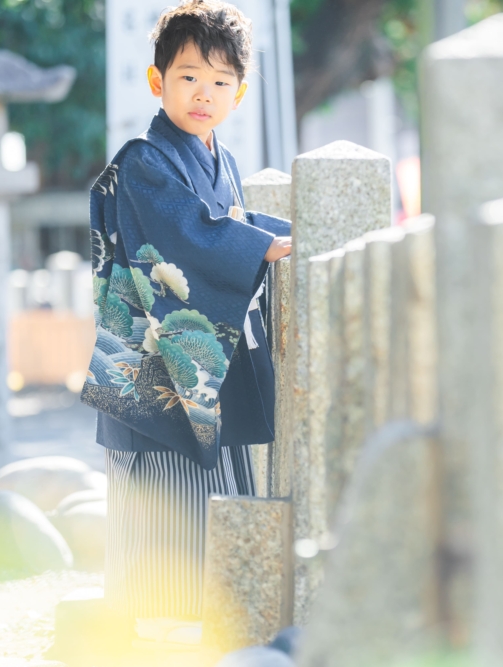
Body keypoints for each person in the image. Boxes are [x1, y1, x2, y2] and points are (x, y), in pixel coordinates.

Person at [80, 0, 291, 623]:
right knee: (165, 511)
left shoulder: (219, 162)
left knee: (210, 502)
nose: (205, 93)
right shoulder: (145, 160)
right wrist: (259, 246)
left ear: (240, 92)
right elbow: (188, 236)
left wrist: (274, 235)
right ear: (158, 82)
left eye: (221, 81)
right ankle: (156, 639)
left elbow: (229, 225)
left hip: (198, 370)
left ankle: (206, 629)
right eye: (189, 77)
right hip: (151, 373)